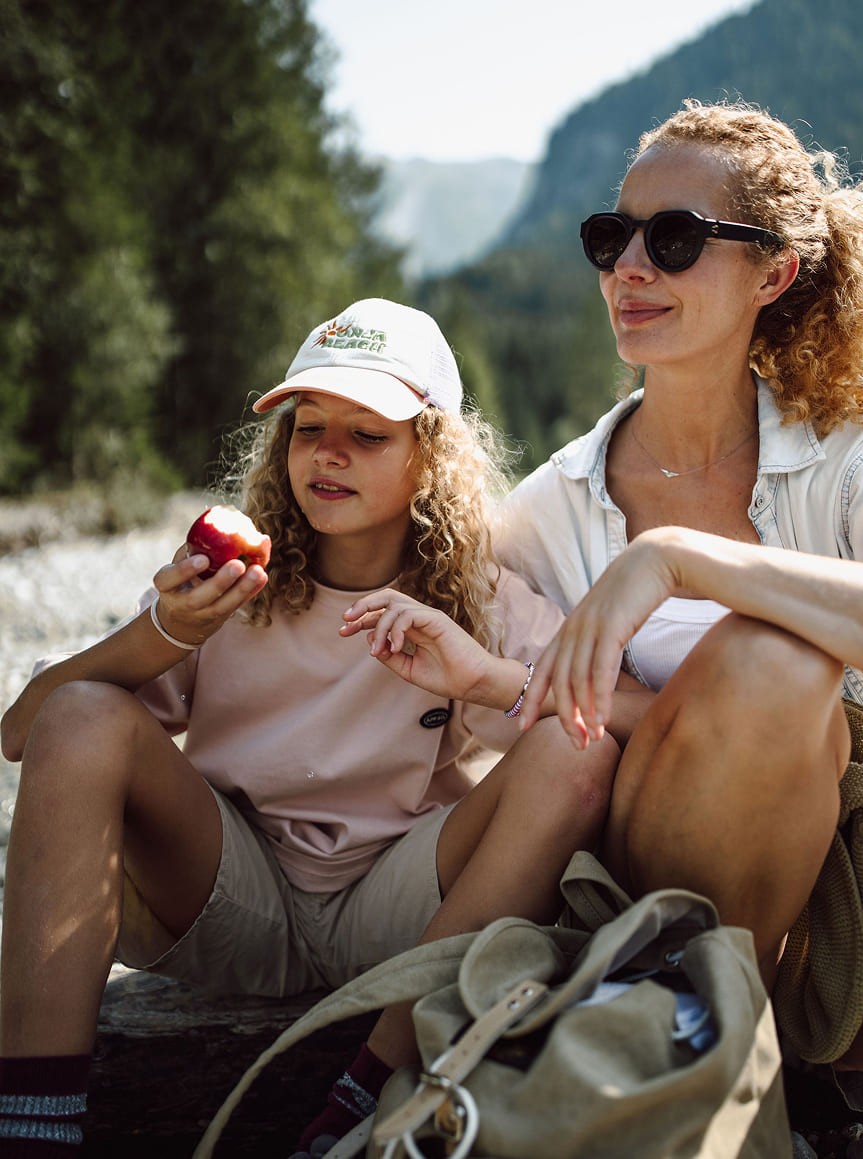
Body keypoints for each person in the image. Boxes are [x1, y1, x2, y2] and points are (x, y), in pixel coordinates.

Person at [0, 297, 618, 1157]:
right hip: (227, 896)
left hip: (398, 915)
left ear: (429, 457)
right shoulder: (226, 583)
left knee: (574, 749)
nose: (327, 452)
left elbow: (598, 719)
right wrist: (165, 632)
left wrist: (482, 677)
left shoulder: (480, 595)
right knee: (82, 712)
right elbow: (26, 731)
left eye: (368, 435)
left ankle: (364, 1095)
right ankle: (33, 1123)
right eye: (307, 425)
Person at [490, 97, 863, 1098]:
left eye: (674, 238)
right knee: (775, 655)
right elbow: (498, 726)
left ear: (772, 274)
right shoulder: (545, 514)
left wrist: (675, 561)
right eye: (610, 237)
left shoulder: (843, 462)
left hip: (838, 899)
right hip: (645, 893)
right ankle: (709, 1056)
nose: (629, 269)